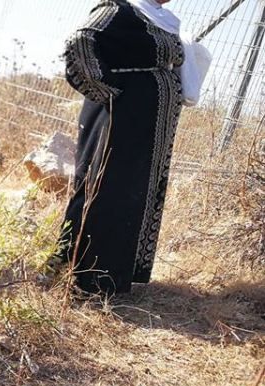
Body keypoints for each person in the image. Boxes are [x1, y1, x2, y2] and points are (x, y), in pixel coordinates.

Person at [53, 0, 189, 295]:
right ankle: (84, 276)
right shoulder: (120, 9)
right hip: (118, 118)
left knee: (130, 192)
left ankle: (111, 277)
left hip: (145, 127)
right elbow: (80, 42)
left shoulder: (163, 19)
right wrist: (108, 91)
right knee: (104, 188)